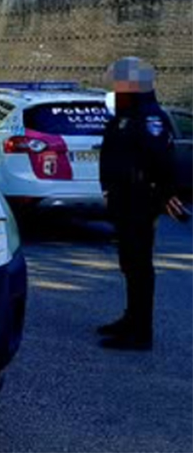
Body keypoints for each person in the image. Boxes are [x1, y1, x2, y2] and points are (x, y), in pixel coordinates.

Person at [97, 57, 186, 351]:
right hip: (123, 199)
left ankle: (140, 330)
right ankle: (130, 318)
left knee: (138, 266)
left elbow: (161, 161)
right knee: (128, 262)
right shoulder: (126, 113)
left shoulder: (149, 117)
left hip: (140, 200)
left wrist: (164, 196)